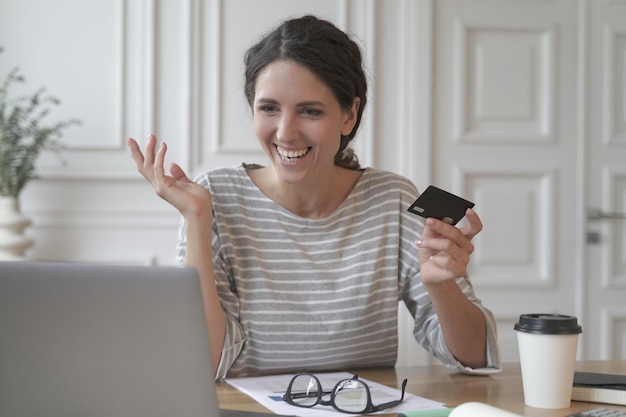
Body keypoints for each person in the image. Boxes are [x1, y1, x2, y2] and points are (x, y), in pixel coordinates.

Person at [127, 15, 501, 380]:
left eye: (310, 111)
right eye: (269, 108)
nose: (286, 133)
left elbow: (475, 358)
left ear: (348, 115)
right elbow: (205, 364)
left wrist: (441, 285)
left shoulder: (393, 200)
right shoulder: (214, 199)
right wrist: (196, 221)